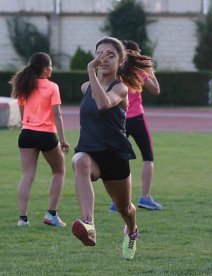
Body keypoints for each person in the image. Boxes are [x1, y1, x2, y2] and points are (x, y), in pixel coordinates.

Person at [71, 37, 145, 260]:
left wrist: (90, 71)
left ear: (120, 61)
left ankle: (132, 231)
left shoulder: (121, 88)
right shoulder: (86, 86)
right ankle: (89, 224)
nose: (102, 58)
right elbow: (92, 94)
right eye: (99, 53)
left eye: (110, 55)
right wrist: (92, 74)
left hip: (114, 156)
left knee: (124, 209)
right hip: (90, 152)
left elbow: (103, 104)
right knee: (79, 161)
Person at [9, 52, 70, 227]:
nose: (52, 68)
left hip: (26, 134)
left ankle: (22, 219)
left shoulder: (25, 85)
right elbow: (57, 114)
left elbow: (22, 111)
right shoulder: (52, 87)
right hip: (46, 135)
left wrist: (27, 125)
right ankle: (51, 214)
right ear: (45, 69)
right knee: (59, 172)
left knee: (27, 175)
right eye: (50, 65)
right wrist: (63, 140)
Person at [108, 40, 162, 212]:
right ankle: (145, 198)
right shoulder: (139, 72)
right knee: (148, 156)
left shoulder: (115, 72)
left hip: (119, 119)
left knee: (118, 159)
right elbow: (156, 90)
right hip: (137, 118)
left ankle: (117, 200)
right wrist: (149, 71)